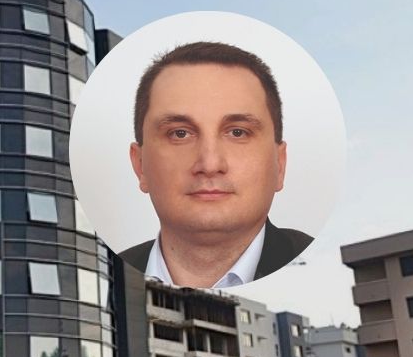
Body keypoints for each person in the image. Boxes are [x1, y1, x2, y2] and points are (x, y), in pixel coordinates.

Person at [120, 41, 312, 288]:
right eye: (179, 133)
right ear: (140, 165)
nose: (210, 164)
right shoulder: (111, 270)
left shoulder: (308, 262)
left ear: (279, 164)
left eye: (238, 132)